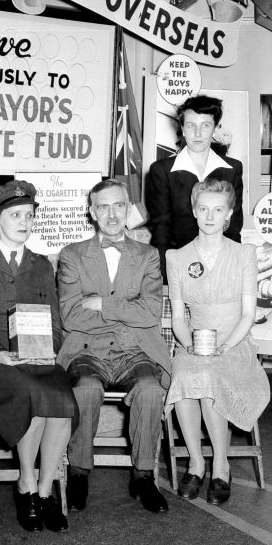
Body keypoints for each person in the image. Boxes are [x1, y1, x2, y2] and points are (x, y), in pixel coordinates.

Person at [0, 180, 76, 532]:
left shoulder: (41, 265)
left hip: (36, 358)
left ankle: (45, 489)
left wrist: (48, 350)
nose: (25, 222)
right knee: (31, 394)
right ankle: (26, 484)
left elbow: (54, 322)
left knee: (63, 398)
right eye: (15, 215)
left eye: (30, 215)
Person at [56, 179, 171, 514]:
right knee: (86, 389)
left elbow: (150, 312)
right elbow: (72, 316)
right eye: (102, 206)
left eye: (118, 205)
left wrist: (102, 304)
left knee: (150, 390)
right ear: (91, 212)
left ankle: (144, 475)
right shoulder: (73, 255)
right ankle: (78, 472)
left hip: (135, 349)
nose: (111, 214)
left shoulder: (148, 255)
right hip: (86, 349)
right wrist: (124, 311)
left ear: (127, 209)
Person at [165, 179, 270, 506]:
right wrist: (189, 345)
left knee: (210, 377)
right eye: (203, 209)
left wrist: (224, 346)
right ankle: (196, 463)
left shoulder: (244, 254)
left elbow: (248, 314)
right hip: (194, 343)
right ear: (194, 211)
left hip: (235, 343)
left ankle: (221, 465)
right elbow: (179, 318)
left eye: (218, 209)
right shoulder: (177, 257)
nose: (210, 216)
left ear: (229, 213)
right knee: (183, 373)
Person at [145, 94, 243, 281]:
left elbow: (233, 227)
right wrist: (166, 279)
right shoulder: (162, 170)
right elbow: (161, 231)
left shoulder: (233, 168)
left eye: (205, 125)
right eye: (191, 125)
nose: (198, 134)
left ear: (215, 128)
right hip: (178, 265)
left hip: (219, 267)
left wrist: (230, 272)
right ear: (182, 128)